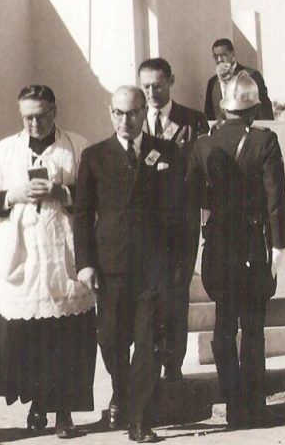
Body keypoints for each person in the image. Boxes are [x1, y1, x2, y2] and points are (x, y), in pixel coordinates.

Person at [0, 85, 96, 439]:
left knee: (65, 335)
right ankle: (38, 404)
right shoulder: (6, 151)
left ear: (55, 111)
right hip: (22, 258)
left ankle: (64, 413)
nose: (34, 123)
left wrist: (62, 192)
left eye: (41, 115)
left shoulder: (76, 146)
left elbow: (97, 197)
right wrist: (12, 194)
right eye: (27, 117)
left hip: (62, 254)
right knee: (31, 338)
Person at [74, 86, 185, 444]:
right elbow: (82, 215)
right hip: (111, 266)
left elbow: (178, 212)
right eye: (118, 113)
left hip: (153, 267)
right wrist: (85, 264)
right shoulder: (94, 156)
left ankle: (139, 419)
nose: (125, 120)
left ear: (143, 112)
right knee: (110, 340)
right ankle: (121, 392)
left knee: (148, 339)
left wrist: (178, 263)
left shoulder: (166, 152)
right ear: (110, 113)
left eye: (132, 112)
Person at [187, 72, 285, 429]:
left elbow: (194, 197)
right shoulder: (265, 141)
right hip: (250, 244)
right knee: (253, 325)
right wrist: (279, 245)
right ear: (254, 108)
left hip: (216, 245)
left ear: (223, 107)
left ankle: (232, 403)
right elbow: (276, 198)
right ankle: (254, 405)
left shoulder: (202, 144)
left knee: (224, 325)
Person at [138, 57, 208, 381]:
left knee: (177, 292)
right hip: (147, 223)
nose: (151, 92)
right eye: (146, 86)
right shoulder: (136, 120)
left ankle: (173, 365)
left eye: (157, 85)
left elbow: (203, 169)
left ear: (171, 81)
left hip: (182, 221)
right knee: (149, 293)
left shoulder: (193, 121)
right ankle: (149, 364)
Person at [204, 37, 274, 121]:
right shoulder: (212, 83)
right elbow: (209, 115)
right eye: (216, 56)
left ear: (232, 54)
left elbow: (264, 110)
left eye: (223, 55)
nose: (219, 60)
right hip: (222, 133)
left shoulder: (252, 76)